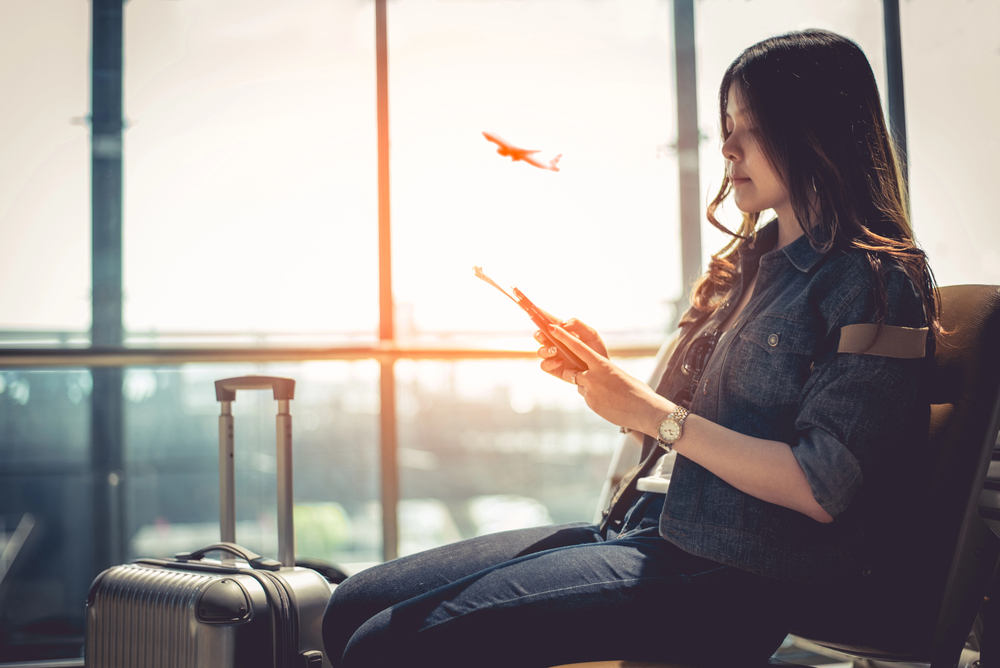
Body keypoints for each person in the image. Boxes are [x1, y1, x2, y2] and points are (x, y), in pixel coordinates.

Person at [322, 29, 939, 667]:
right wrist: (609, 379)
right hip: (646, 527)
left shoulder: (872, 279)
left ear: (814, 131)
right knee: (351, 606)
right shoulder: (748, 262)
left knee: (383, 647)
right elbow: (700, 418)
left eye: (750, 127)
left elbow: (821, 486)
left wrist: (648, 412)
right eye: (726, 125)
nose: (726, 146)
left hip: (735, 568)